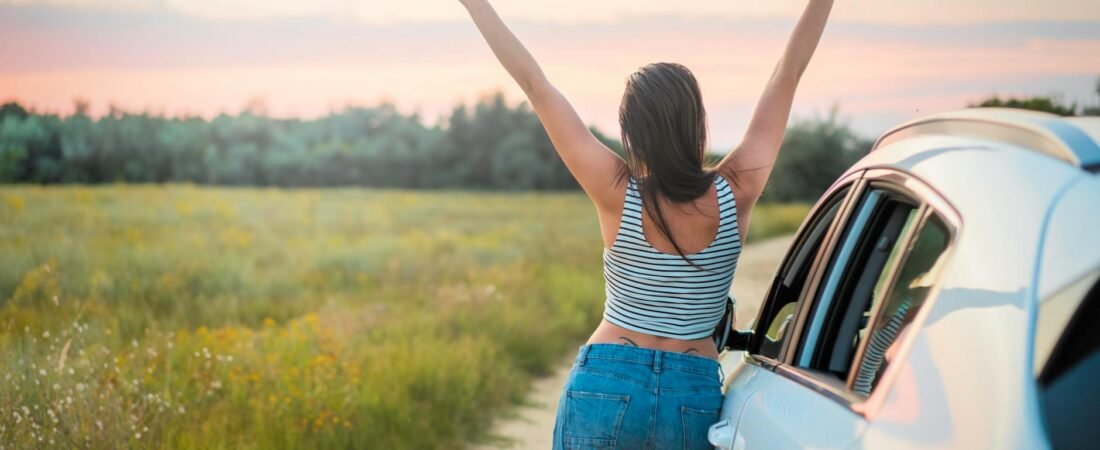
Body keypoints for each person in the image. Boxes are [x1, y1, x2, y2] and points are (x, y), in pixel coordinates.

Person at [457, 1, 833, 448]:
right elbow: (786, 74)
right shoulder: (737, 191)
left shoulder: (616, 191)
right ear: (697, 124)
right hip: (691, 391)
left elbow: (536, 85)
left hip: (607, 377)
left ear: (633, 133)